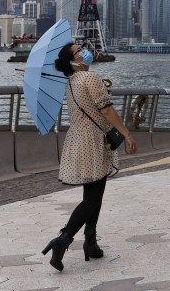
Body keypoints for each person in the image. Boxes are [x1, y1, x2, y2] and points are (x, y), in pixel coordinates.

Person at [42, 43, 137, 271]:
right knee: (93, 198)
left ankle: (91, 242)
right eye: (79, 50)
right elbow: (106, 110)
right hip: (94, 139)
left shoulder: (72, 82)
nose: (85, 51)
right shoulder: (90, 78)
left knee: (94, 191)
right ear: (73, 60)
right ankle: (63, 240)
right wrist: (126, 133)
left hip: (78, 138)